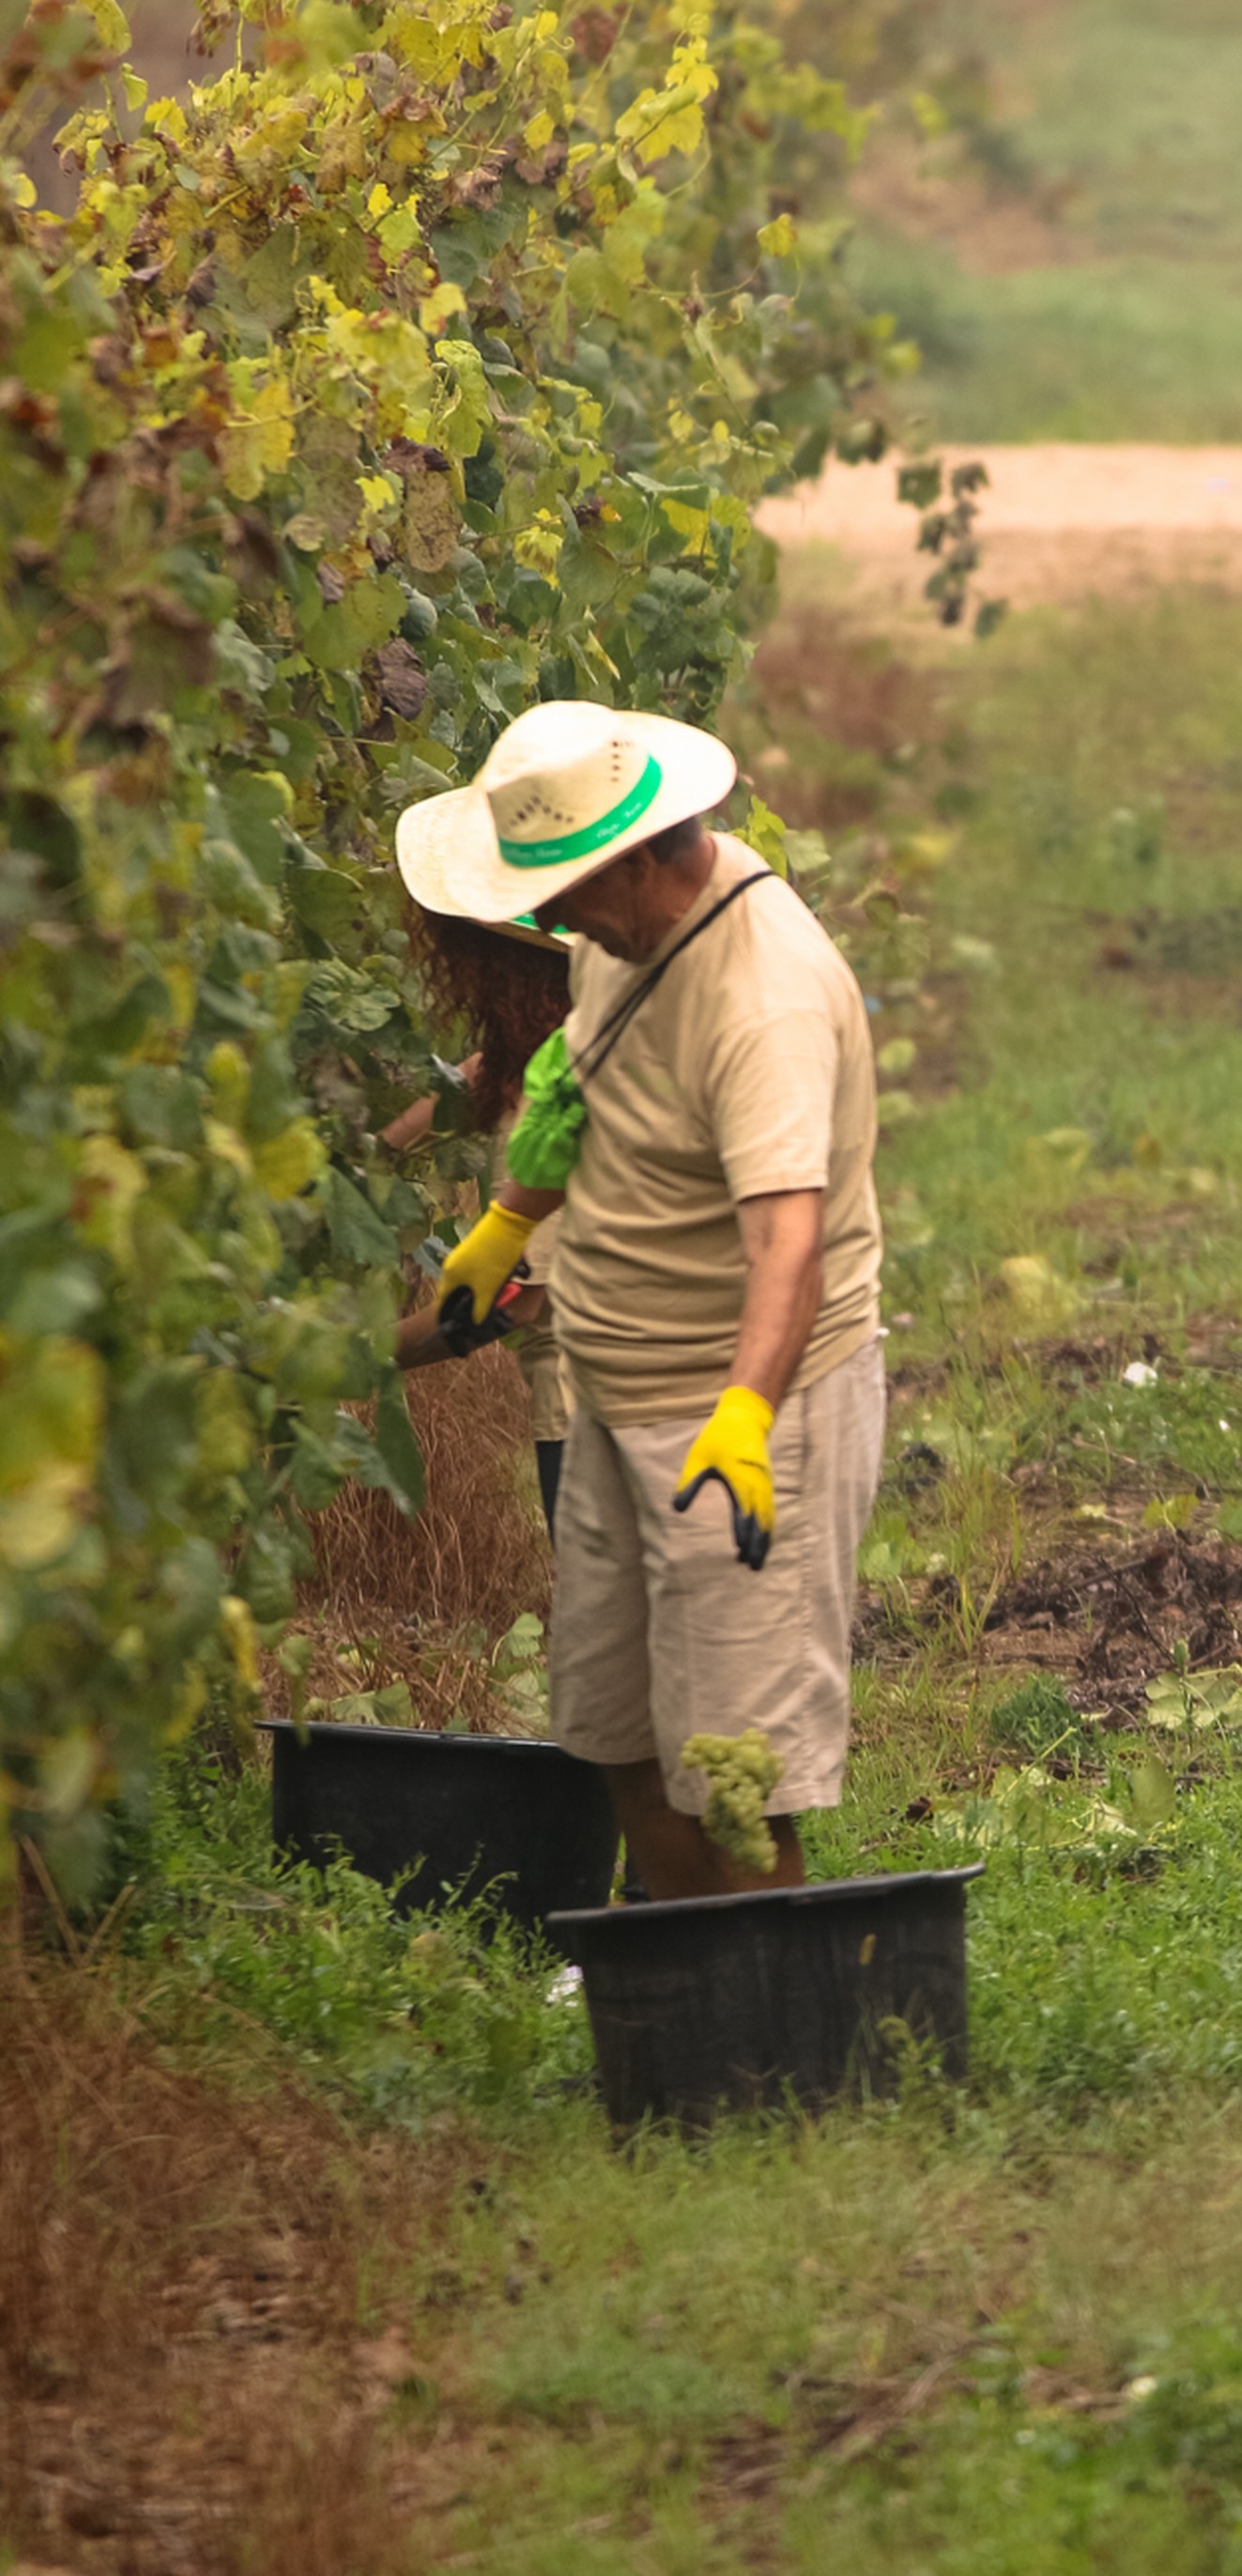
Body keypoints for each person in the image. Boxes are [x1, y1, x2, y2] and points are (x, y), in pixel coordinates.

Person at [391, 700, 884, 1903]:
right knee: (625, 1749)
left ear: (654, 851)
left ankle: (761, 2053)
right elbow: (574, 1071)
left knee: (733, 1783)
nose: (543, 913)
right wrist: (512, 1215)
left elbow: (788, 1242)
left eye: (561, 883)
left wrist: (745, 1417)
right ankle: (681, 2026)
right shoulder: (622, 940)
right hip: (615, 1402)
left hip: (732, 1413)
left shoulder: (757, 997)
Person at [382, 911, 575, 1524]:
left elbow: (510, 1300)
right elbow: (472, 1082)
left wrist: (364, 1358)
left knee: (606, 1617)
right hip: (658, 1394)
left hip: (591, 1419)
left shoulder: (543, 1099)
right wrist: (365, 1160)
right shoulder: (573, 1053)